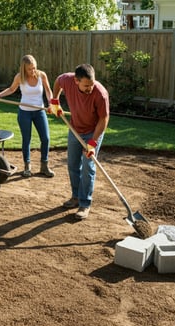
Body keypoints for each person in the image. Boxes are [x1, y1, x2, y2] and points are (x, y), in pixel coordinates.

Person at [49, 64, 110, 220]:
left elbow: (104, 119)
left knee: (87, 167)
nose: (90, 88)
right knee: (72, 164)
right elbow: (57, 81)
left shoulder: (100, 93)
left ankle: (85, 204)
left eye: (92, 84)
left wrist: (93, 142)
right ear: (76, 81)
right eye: (86, 85)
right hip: (75, 129)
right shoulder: (68, 80)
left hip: (93, 132)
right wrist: (54, 101)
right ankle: (76, 197)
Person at [0, 55, 54, 177]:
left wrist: (51, 104)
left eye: (34, 68)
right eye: (29, 69)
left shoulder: (41, 75)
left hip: (40, 111)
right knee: (26, 139)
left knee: (46, 138)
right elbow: (11, 89)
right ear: (24, 69)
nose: (32, 71)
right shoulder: (19, 77)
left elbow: (48, 91)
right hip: (25, 112)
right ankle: (27, 166)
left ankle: (44, 166)